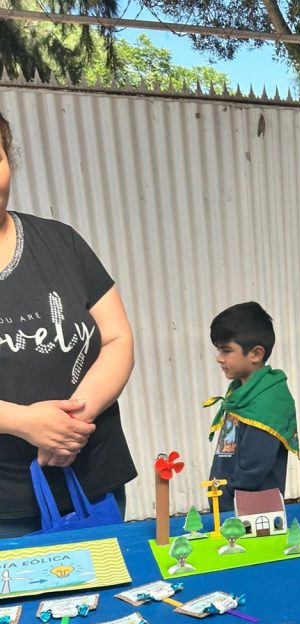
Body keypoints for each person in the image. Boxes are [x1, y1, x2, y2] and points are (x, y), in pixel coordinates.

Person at [0, 110, 136, 538]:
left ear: (9, 160)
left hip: (93, 484)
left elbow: (117, 338)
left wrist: (73, 423)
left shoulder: (61, 242)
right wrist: (25, 422)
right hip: (6, 508)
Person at [204, 301, 300, 510]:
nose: (219, 359)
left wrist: (228, 495)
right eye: (219, 350)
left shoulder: (268, 401)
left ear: (256, 354)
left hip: (250, 510)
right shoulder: (241, 391)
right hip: (227, 501)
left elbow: (254, 467)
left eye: (226, 351)